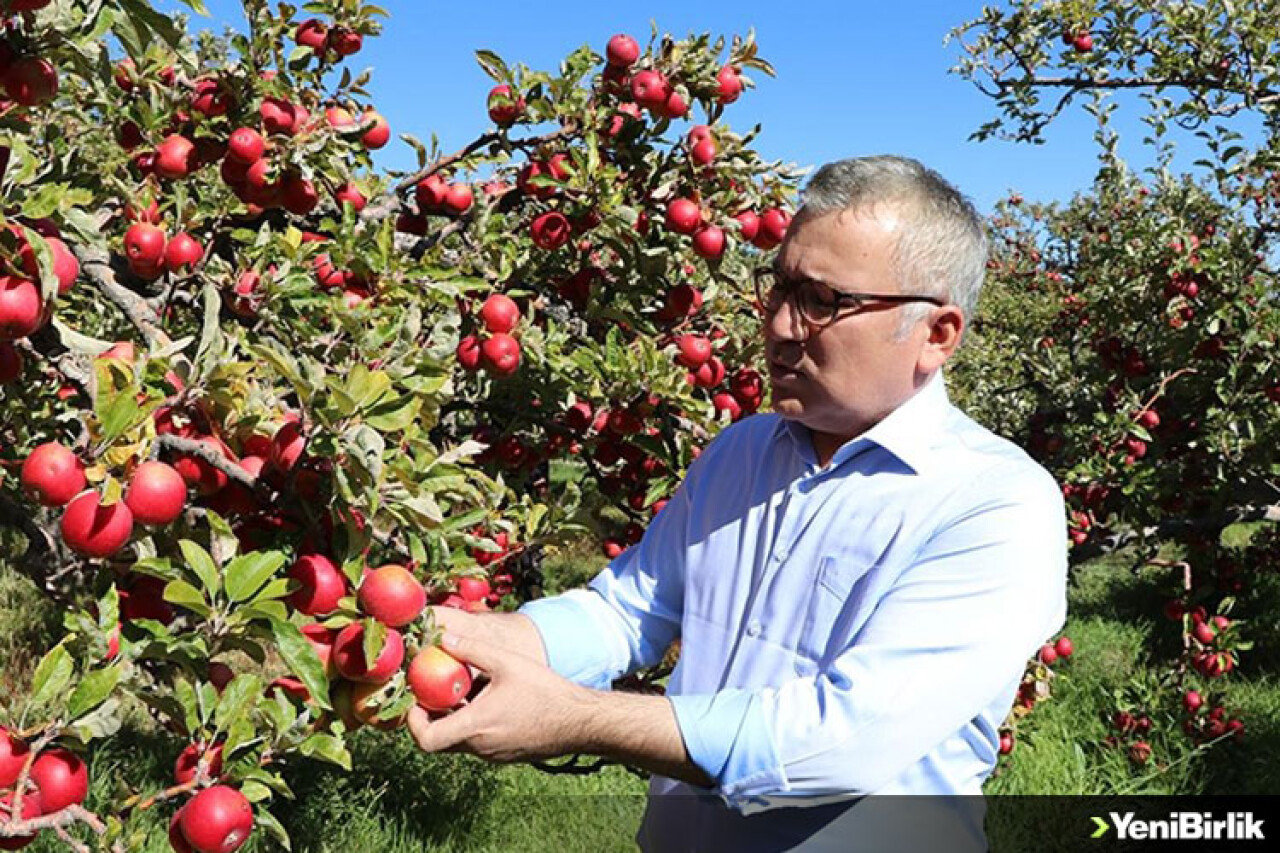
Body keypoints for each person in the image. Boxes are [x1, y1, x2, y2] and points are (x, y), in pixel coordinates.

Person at [409, 155, 1068, 851]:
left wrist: (577, 716)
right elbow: (629, 610)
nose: (781, 324)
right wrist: (465, 639)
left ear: (936, 334)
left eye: (822, 301)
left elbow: (835, 744)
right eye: (778, 288)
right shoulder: (743, 451)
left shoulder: (998, 505)